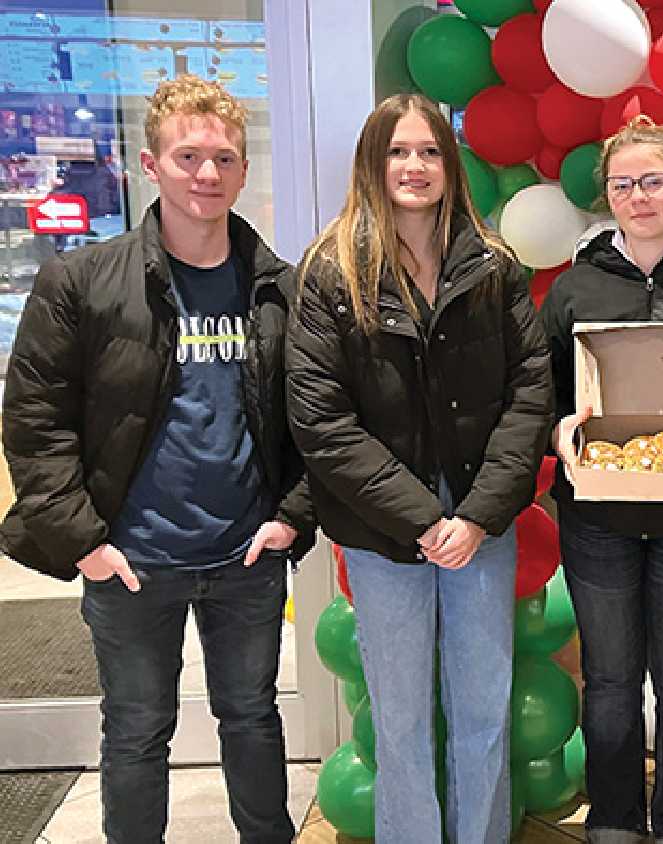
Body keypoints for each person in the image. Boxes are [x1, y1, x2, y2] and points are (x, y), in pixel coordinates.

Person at [0, 75, 314, 843]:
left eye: (224, 158)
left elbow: (318, 423)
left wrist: (289, 522)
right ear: (151, 164)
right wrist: (86, 543)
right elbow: (35, 425)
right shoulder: (80, 282)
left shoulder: (280, 288)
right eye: (188, 156)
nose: (207, 174)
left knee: (252, 719)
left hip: (245, 555)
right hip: (132, 560)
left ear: (243, 171)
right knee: (137, 732)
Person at [286, 92, 551, 843]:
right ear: (373, 163)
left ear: (450, 164)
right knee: (400, 721)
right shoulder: (329, 272)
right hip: (384, 536)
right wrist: (426, 518)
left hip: (482, 527)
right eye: (398, 151)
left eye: (430, 151)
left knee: (483, 711)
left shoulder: (494, 266)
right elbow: (322, 423)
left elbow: (529, 397)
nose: (414, 166)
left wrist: (473, 517)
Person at [543, 114, 663, 844]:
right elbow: (540, 396)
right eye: (623, 184)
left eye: (653, 181)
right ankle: (616, 819)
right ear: (608, 196)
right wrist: (561, 430)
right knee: (610, 682)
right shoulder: (574, 291)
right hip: (598, 519)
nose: (638, 196)